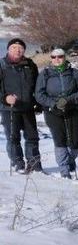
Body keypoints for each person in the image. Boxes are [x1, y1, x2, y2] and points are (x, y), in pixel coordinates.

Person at [34, 48, 78, 179]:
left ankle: (70, 161)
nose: (57, 59)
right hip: (53, 112)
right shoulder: (45, 74)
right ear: (51, 58)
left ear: (65, 57)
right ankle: (64, 170)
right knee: (60, 141)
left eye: (60, 56)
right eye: (54, 57)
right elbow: (39, 94)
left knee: (75, 142)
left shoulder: (74, 73)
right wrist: (53, 103)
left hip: (73, 109)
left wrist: (69, 100)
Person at [1, 38, 41, 174]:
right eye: (14, 47)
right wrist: (5, 98)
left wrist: (38, 102)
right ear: (8, 49)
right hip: (9, 108)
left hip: (28, 108)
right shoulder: (2, 65)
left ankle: (34, 165)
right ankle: (18, 163)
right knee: (13, 138)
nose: (17, 50)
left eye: (20, 48)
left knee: (32, 137)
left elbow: (37, 86)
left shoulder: (30, 65)